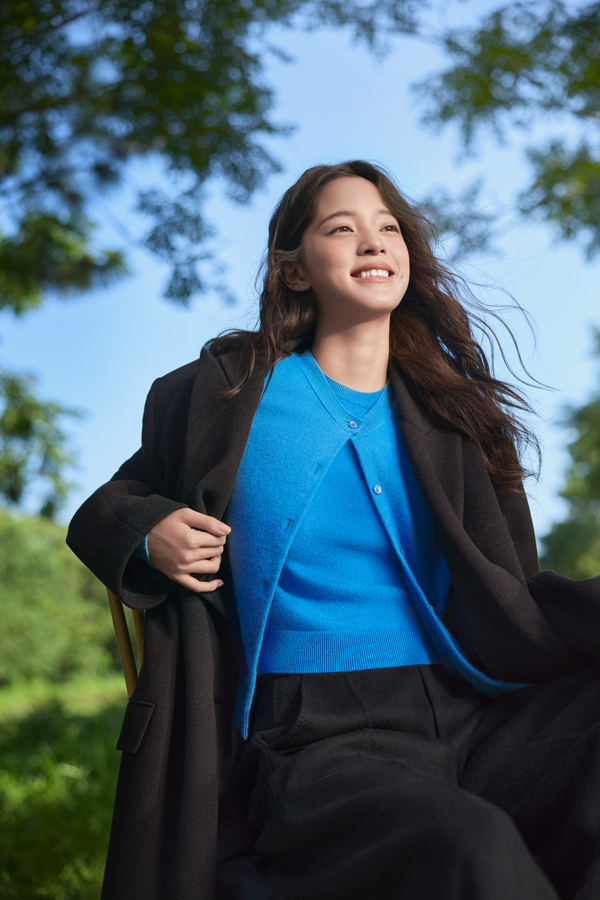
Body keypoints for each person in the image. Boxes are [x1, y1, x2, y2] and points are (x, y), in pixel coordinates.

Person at [67, 160, 600, 900]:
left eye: (388, 229)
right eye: (341, 228)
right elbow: (105, 505)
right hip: (315, 732)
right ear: (293, 270)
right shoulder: (228, 394)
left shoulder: (459, 413)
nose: (372, 242)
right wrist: (147, 531)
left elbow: (511, 587)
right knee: (469, 847)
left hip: (475, 708)